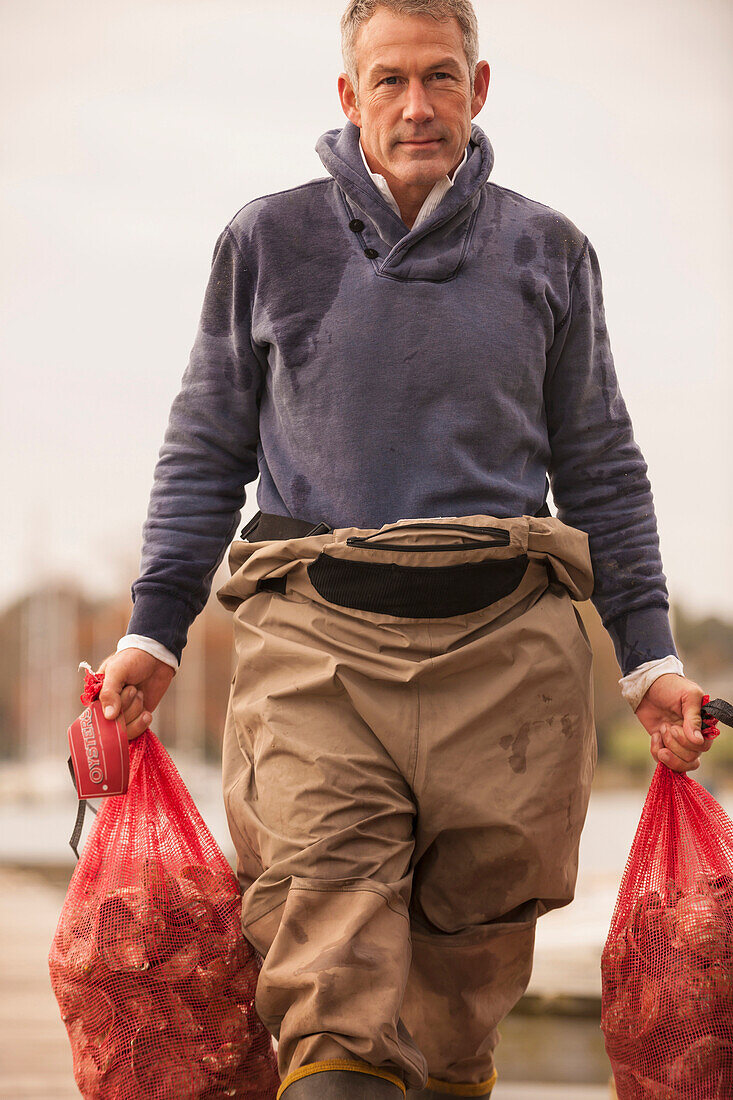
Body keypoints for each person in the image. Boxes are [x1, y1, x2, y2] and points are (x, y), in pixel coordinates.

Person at [95, 2, 716, 1097]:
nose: (415, 105)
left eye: (440, 77)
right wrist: (155, 625)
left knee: (448, 1031)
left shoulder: (549, 249)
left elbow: (602, 467)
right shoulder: (266, 241)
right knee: (330, 993)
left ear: (479, 91)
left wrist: (649, 659)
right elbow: (204, 447)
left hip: (506, 672)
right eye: (388, 80)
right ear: (348, 96)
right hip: (314, 656)